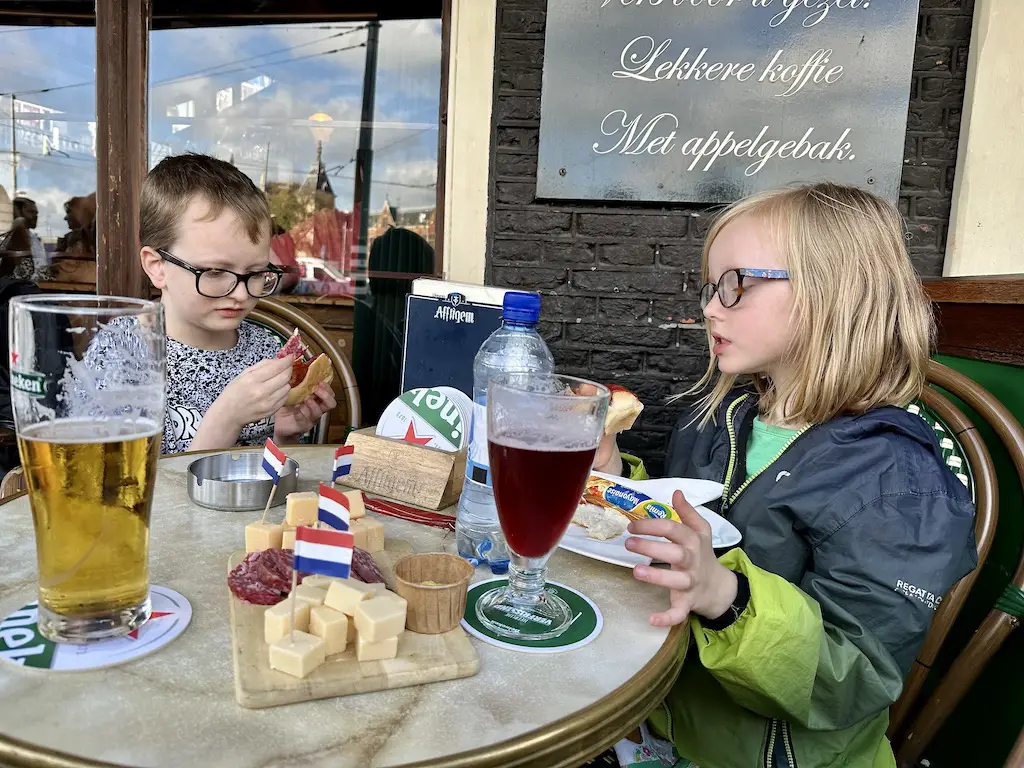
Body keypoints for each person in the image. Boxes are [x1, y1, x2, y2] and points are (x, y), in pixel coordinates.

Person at [592, 183, 977, 768]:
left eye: (735, 285)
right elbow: (687, 519)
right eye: (709, 288)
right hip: (664, 725)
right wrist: (614, 476)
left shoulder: (897, 482)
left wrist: (727, 595)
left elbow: (856, 678)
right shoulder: (720, 418)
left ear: (833, 295)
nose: (709, 308)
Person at [86, 153, 336, 454]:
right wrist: (226, 418)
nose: (242, 295)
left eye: (256, 274)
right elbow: (115, 487)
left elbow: (268, 478)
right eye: (215, 272)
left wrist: (284, 436)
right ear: (157, 267)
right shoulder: (121, 353)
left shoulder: (266, 349)